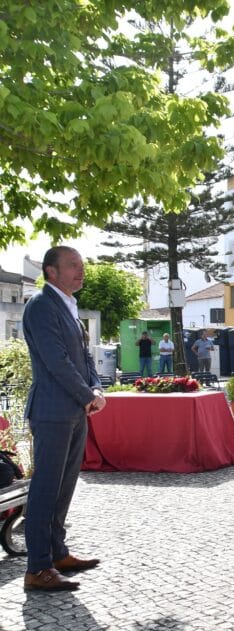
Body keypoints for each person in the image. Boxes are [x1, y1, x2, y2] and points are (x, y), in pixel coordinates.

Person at [21, 246, 106, 591]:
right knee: (46, 489)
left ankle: (57, 553)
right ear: (50, 271)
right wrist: (88, 396)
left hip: (73, 411)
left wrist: (96, 387)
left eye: (82, 265)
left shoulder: (67, 306)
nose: (80, 271)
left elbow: (83, 358)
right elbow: (56, 361)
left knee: (64, 487)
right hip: (53, 411)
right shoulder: (41, 306)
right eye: (72, 265)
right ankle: (37, 567)